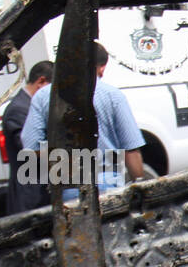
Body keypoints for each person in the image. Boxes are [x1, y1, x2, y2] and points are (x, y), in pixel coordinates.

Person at [20, 41, 145, 201]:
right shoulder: (113, 96)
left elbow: (32, 145)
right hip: (108, 185)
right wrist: (140, 190)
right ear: (101, 68)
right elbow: (131, 149)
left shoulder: (43, 97)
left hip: (67, 187)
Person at [3, 60, 53, 214]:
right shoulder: (19, 109)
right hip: (31, 196)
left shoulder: (31, 106)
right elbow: (30, 149)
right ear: (41, 82)